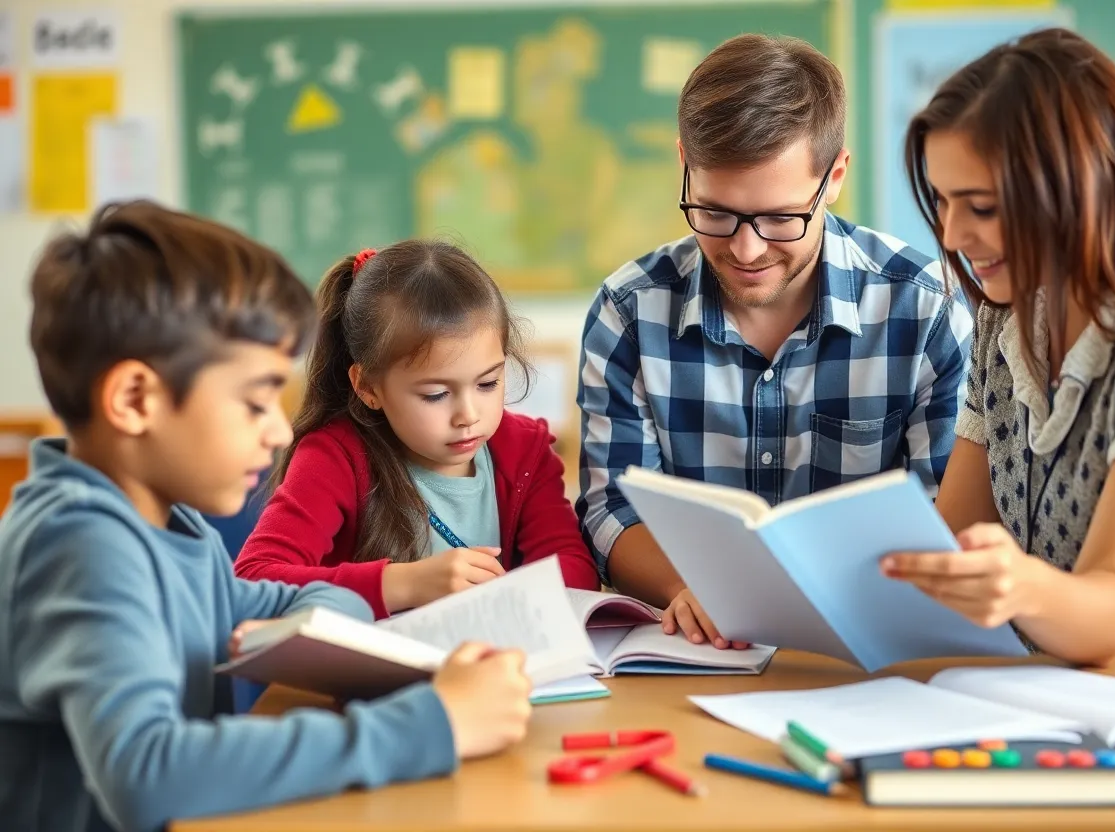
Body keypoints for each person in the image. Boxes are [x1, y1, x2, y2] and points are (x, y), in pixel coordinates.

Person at [0, 202, 533, 832]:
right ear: (135, 400)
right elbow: (147, 774)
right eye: (254, 403)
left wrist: (342, 627)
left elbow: (265, 599)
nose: (279, 429)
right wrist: (432, 726)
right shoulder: (83, 547)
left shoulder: (166, 528)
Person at [577, 33, 973, 648]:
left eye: (780, 219)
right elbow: (612, 508)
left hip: (874, 651)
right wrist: (701, 588)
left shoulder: (927, 311)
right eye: (714, 213)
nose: (746, 249)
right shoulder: (628, 312)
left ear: (835, 174)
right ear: (685, 161)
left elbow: (946, 516)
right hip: (698, 647)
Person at [882, 28, 1115, 666]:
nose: (952, 234)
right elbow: (950, 541)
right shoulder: (1004, 317)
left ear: (1078, 188)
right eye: (945, 202)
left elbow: (1113, 612)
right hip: (1039, 694)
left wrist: (1019, 586)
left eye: (981, 207)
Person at [236, 241, 600, 620]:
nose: (468, 415)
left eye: (488, 383)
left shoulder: (525, 449)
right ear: (368, 388)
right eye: (436, 394)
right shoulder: (334, 456)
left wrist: (507, 593)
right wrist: (404, 584)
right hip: (365, 673)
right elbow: (252, 580)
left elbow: (574, 569)